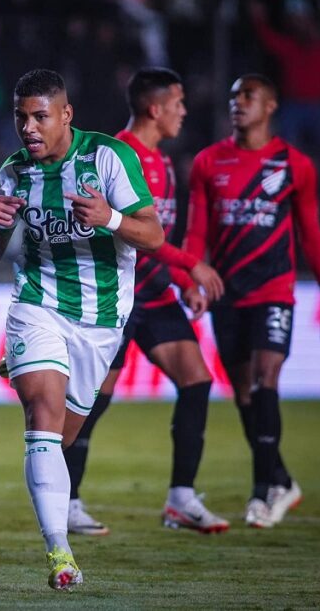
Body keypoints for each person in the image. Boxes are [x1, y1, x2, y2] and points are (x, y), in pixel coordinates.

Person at [0, 69, 163, 591]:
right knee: (42, 415)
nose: (28, 127)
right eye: (20, 116)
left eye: (39, 116)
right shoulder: (12, 172)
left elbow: (154, 235)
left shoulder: (108, 159)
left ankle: (32, 367)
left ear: (66, 115)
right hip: (38, 304)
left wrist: (111, 219)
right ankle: (60, 552)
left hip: (101, 322)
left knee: (62, 437)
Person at [61, 68, 230, 537]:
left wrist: (183, 278)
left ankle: (181, 498)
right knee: (93, 402)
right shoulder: (116, 156)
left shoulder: (164, 161)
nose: (184, 111)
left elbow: (157, 236)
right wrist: (193, 265)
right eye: (178, 102)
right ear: (155, 108)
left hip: (155, 292)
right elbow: (129, 233)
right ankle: (68, 502)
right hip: (118, 297)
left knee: (196, 380)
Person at [184, 74, 320, 528]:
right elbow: (196, 231)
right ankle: (282, 478)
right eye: (233, 96)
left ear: (270, 106)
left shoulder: (294, 165)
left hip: (274, 290)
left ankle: (262, 493)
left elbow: (311, 236)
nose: (238, 103)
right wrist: (192, 279)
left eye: (248, 96)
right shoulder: (208, 163)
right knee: (243, 392)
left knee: (265, 377)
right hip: (225, 292)